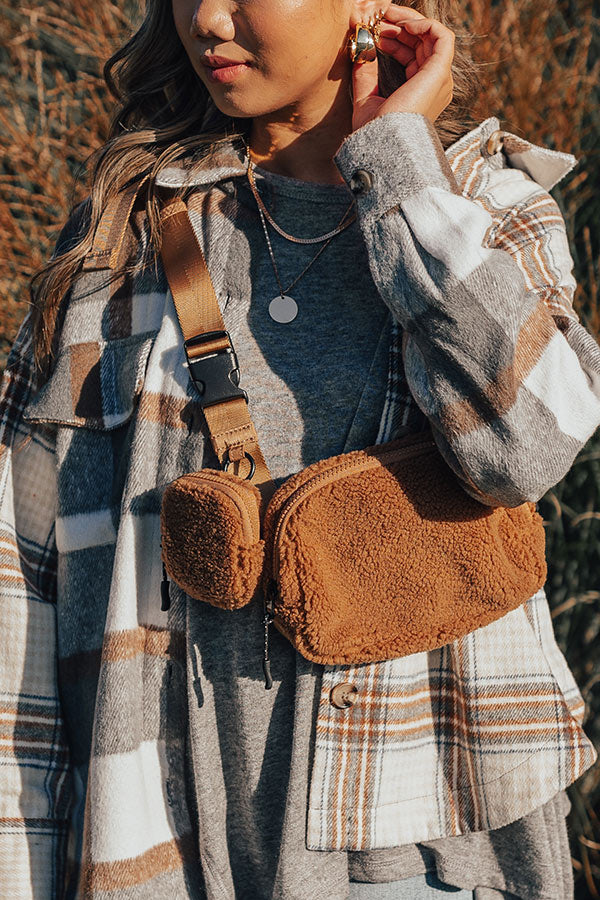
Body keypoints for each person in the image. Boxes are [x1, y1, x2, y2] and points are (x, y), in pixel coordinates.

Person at [1, 0, 599, 897]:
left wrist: (398, 165)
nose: (207, 17)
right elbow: (20, 560)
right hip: (156, 837)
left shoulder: (484, 209)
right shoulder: (120, 234)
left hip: (409, 852)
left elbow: (527, 447)